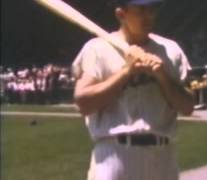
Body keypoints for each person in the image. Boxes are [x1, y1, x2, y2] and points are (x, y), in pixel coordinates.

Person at [73, 0, 195, 179]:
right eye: (141, 10)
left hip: (162, 155)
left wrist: (161, 75)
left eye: (152, 10)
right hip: (114, 154)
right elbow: (83, 103)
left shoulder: (170, 50)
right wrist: (127, 72)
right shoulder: (98, 48)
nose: (149, 16)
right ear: (121, 14)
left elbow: (187, 107)